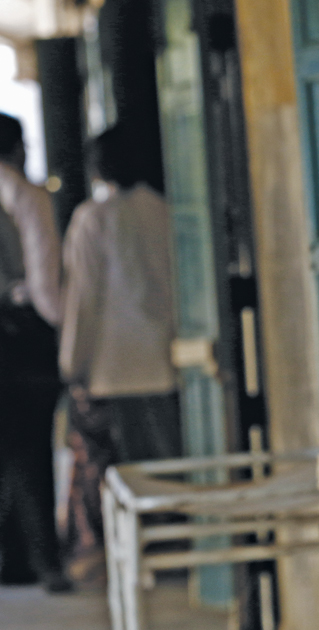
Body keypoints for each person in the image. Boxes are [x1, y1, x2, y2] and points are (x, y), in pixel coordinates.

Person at [59, 124, 180, 577]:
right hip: (163, 362)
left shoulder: (92, 218)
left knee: (119, 471)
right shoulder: (164, 211)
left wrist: (72, 362)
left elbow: (83, 299)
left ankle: (130, 559)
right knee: (163, 463)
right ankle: (171, 551)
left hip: (112, 368)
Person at [0, 112, 71, 592]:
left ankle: (14, 560)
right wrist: (61, 326)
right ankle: (44, 561)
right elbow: (45, 282)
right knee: (29, 449)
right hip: (18, 335)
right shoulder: (23, 194)